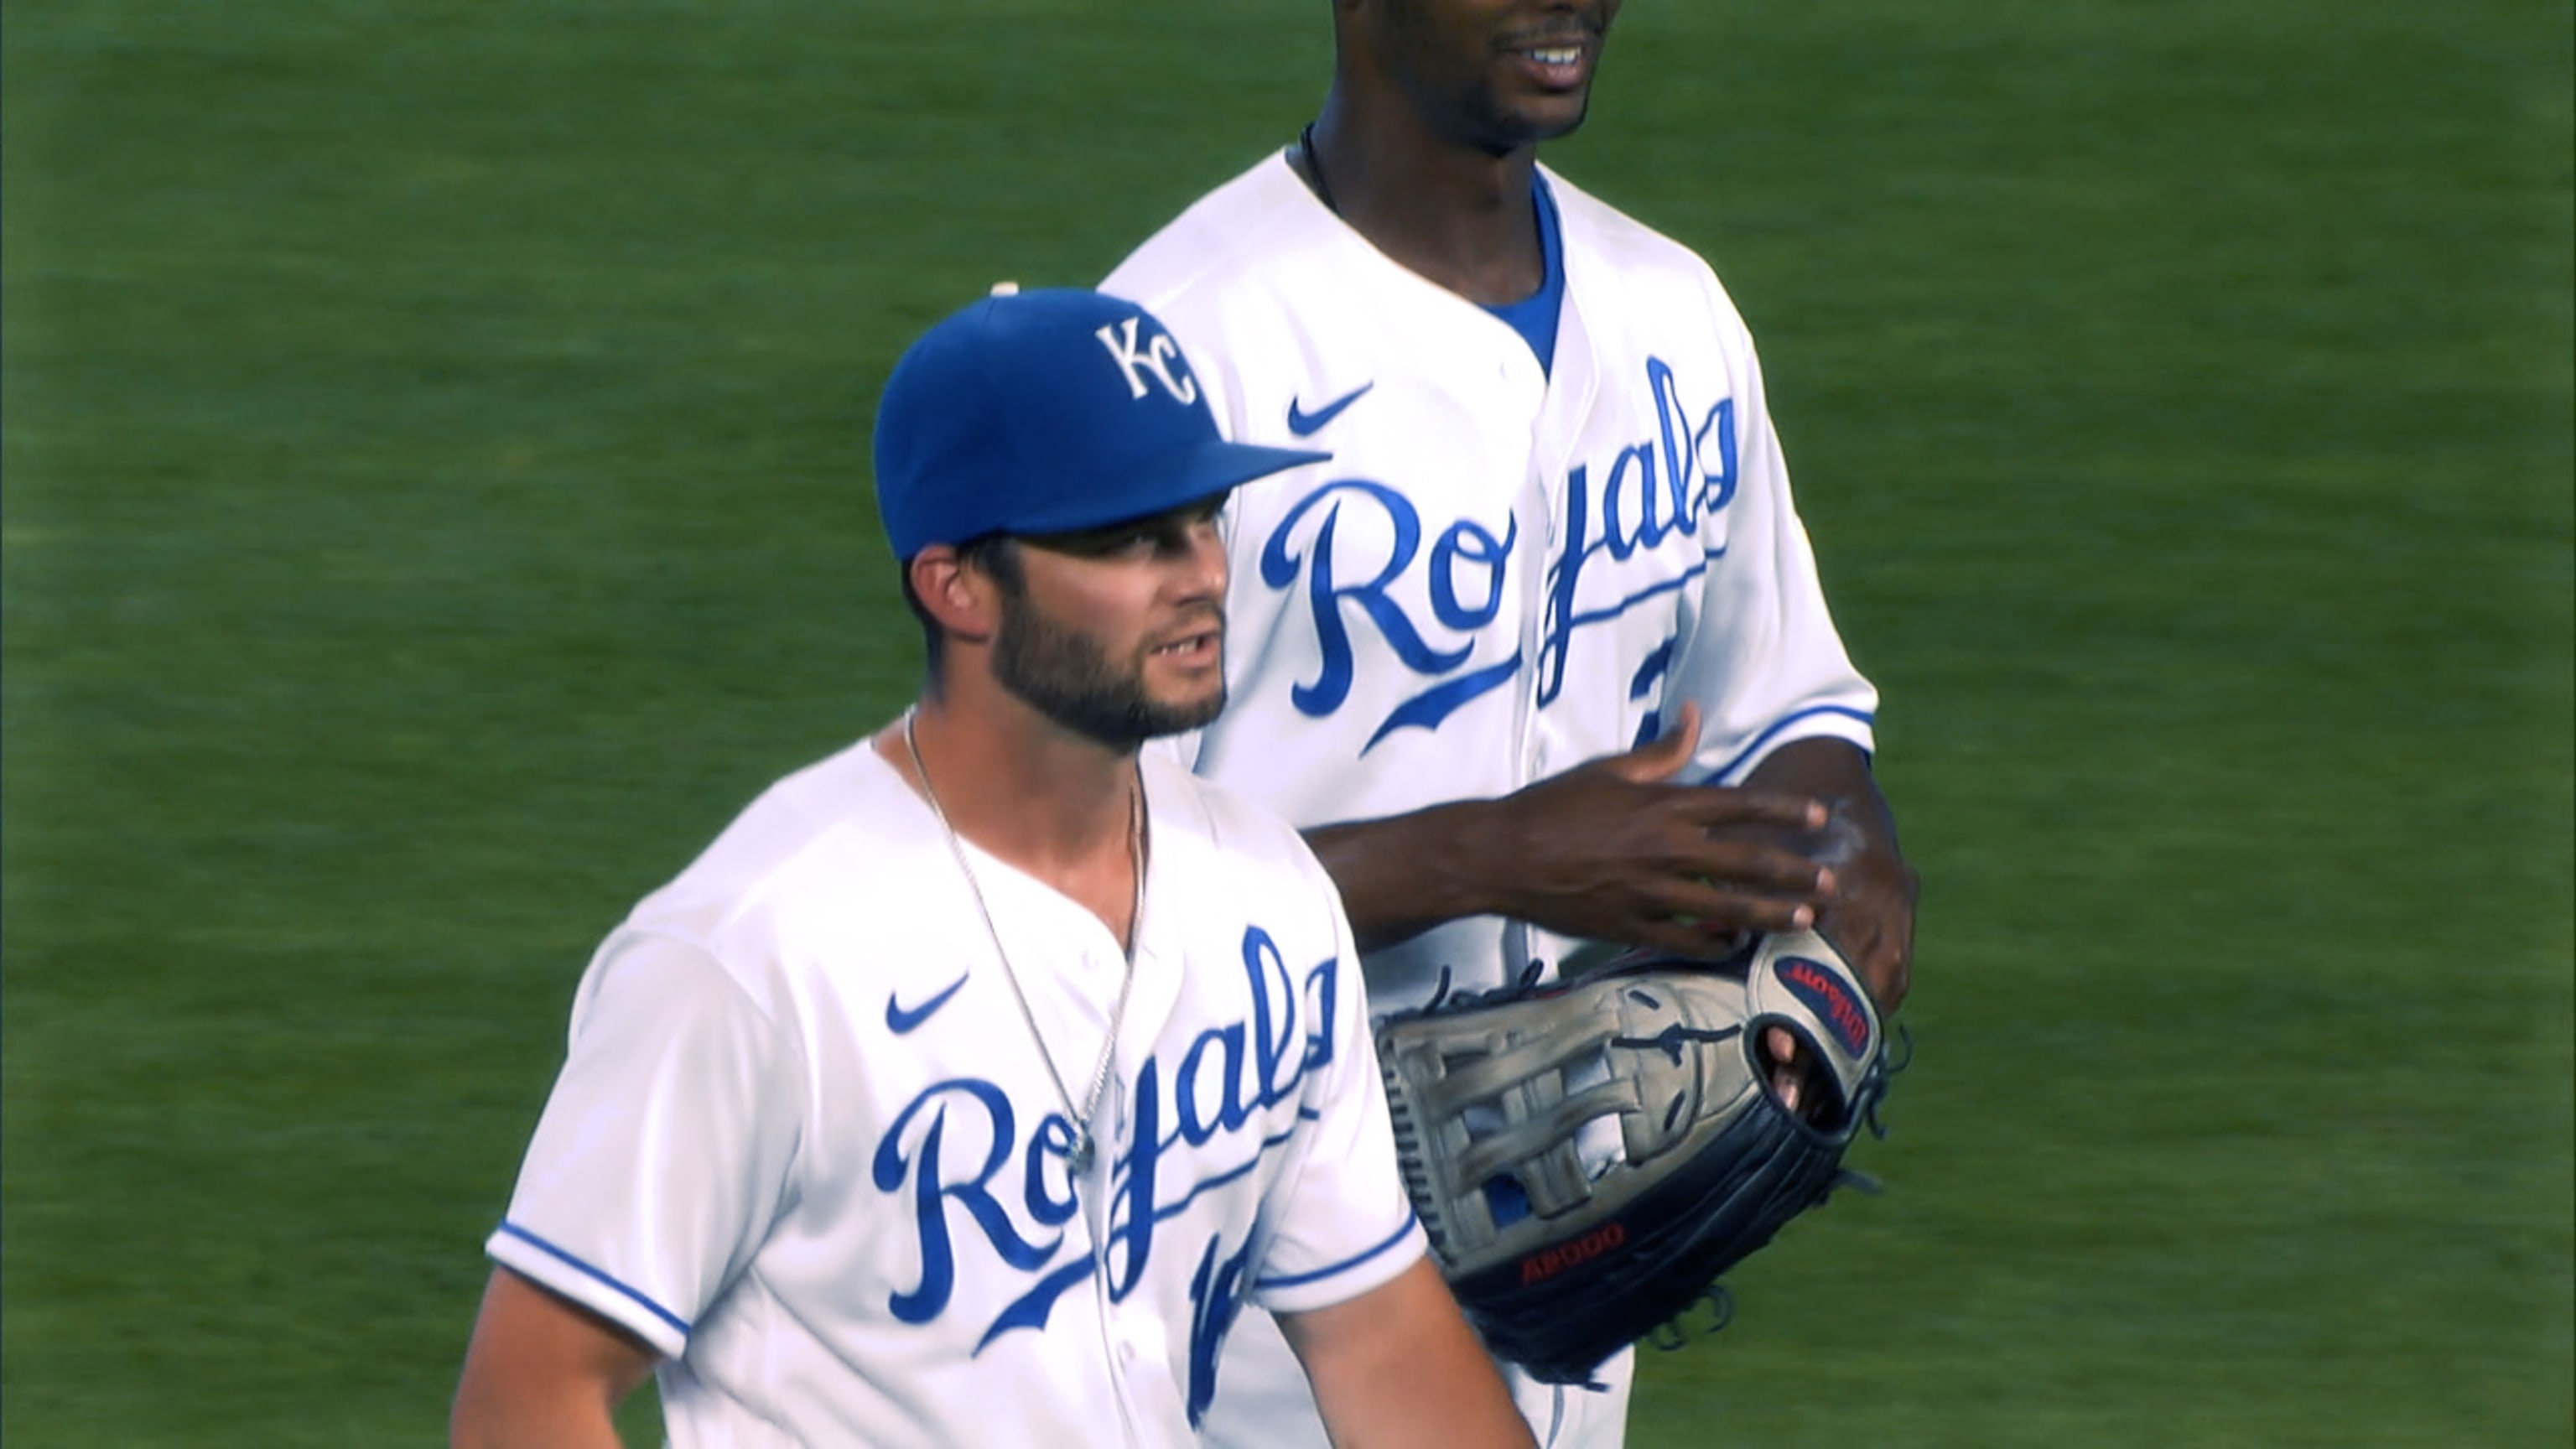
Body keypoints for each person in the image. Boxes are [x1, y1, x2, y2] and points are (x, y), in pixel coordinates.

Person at [448, 287, 1537, 1449]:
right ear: (956, 585)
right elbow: (527, 1397)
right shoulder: (755, 953)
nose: (1202, 574)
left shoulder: (1267, 893)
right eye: (1126, 537)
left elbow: (1379, 1339)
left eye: (1204, 518)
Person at [1103, 3, 1920, 1445]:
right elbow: (1057, 884)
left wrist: (1840, 845)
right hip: (1222, 1323)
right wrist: (1488, 860)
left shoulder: (1673, 315)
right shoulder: (1179, 354)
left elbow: (1785, 697)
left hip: (1573, 1270)